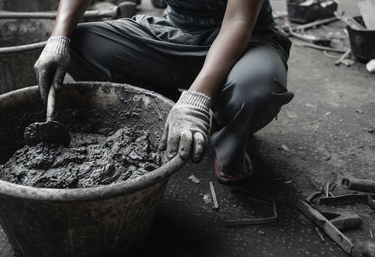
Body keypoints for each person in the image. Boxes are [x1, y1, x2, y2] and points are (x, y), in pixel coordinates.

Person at [34, 0, 294, 184]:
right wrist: (59, 38)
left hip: (247, 40)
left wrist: (197, 98)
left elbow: (239, 20)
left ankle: (226, 135)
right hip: (175, 36)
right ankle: (167, 112)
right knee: (79, 44)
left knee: (256, 91)